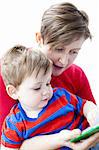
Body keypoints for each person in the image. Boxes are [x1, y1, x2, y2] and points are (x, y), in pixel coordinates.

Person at [0, 2, 99, 150]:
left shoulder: (75, 76)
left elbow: (91, 117)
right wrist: (60, 140)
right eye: (58, 49)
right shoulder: (12, 74)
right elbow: (13, 144)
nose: (64, 61)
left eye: (74, 52)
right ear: (39, 38)